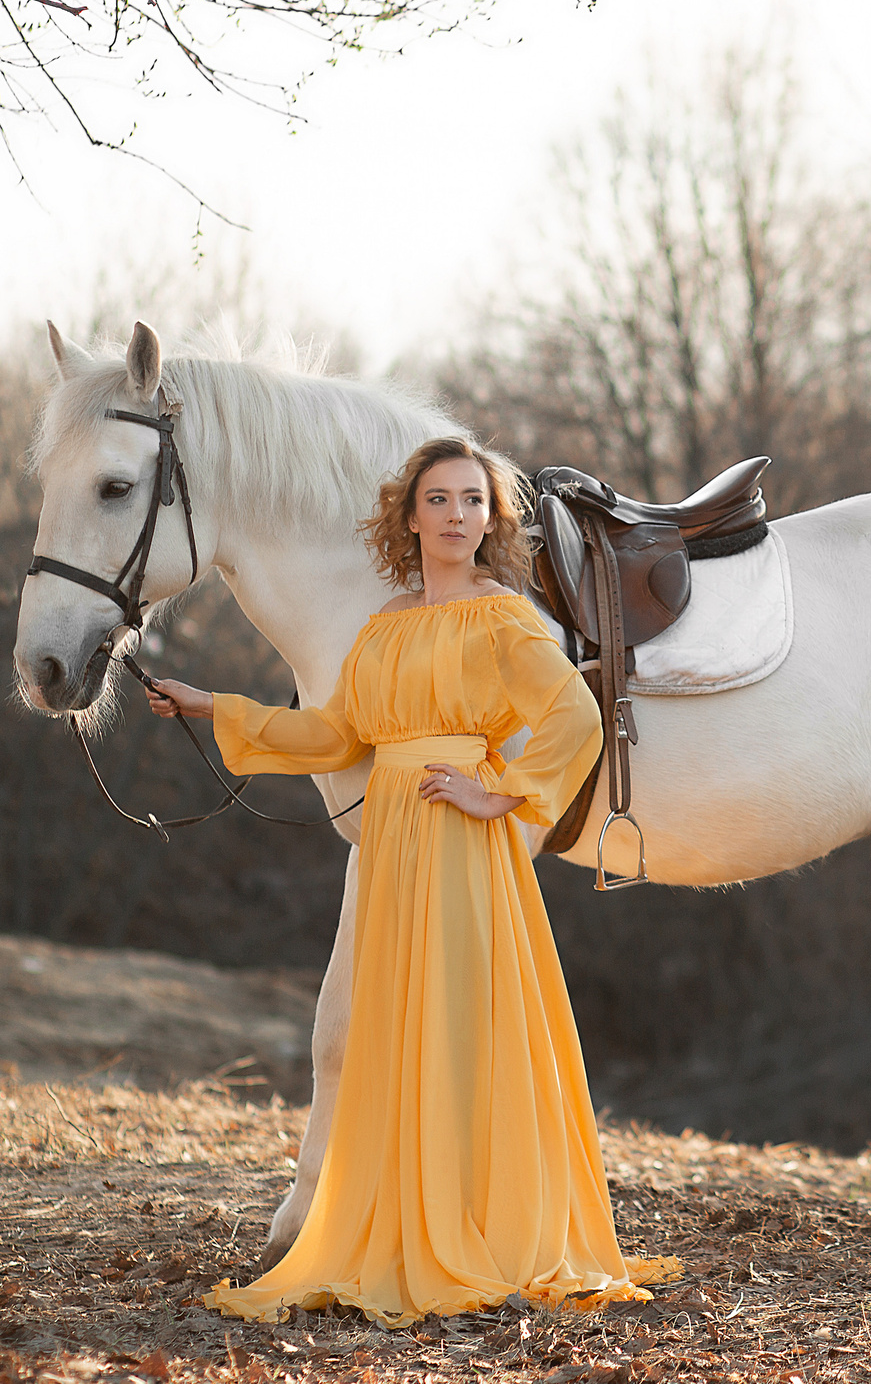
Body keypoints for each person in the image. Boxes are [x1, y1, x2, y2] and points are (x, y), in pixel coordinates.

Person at [140, 433, 679, 1325]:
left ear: (491, 519)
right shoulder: (383, 627)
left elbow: (575, 715)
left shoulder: (505, 616)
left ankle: (481, 1220)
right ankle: (402, 1212)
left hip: (463, 838)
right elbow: (338, 736)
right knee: (398, 1019)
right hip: (392, 838)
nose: (458, 516)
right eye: (440, 499)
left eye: (474, 501)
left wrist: (498, 793)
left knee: (468, 1017)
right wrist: (213, 705)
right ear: (410, 514)